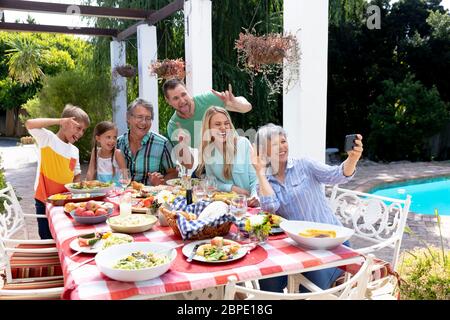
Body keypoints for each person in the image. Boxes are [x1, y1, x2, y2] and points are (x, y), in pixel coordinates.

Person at [251, 123, 363, 292]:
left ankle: (336, 278)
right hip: (297, 245)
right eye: (274, 144)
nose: (282, 147)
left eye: (283, 141)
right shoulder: (265, 180)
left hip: (329, 242)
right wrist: (259, 172)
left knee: (309, 285)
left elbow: (337, 175)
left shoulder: (304, 165)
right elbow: (270, 209)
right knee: (268, 281)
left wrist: (352, 159)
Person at [25, 104, 90, 239]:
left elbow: (76, 175)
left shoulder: (74, 151)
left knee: (65, 236)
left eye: (83, 130)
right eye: (78, 128)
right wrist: (58, 120)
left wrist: (78, 191)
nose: (81, 133)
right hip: (44, 201)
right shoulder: (47, 139)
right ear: (65, 123)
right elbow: (29, 124)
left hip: (64, 204)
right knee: (46, 237)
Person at [163, 79, 252, 169]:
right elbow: (188, 164)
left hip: (237, 157)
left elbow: (247, 107)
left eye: (183, 94)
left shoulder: (208, 100)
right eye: (175, 98)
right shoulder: (174, 126)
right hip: (212, 168)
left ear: (187, 91)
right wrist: (183, 144)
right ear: (168, 101)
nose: (182, 101)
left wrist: (234, 102)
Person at [196, 107, 259, 207]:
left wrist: (255, 196)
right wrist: (231, 188)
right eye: (217, 124)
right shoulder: (208, 152)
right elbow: (212, 182)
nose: (223, 127)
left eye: (226, 123)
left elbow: (256, 178)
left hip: (250, 204)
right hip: (227, 205)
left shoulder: (243, 144)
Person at [117, 98, 177, 186]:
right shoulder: (117, 143)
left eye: (148, 118)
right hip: (121, 197)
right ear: (128, 118)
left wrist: (161, 182)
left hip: (151, 197)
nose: (144, 122)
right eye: (139, 117)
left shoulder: (163, 144)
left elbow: (174, 173)